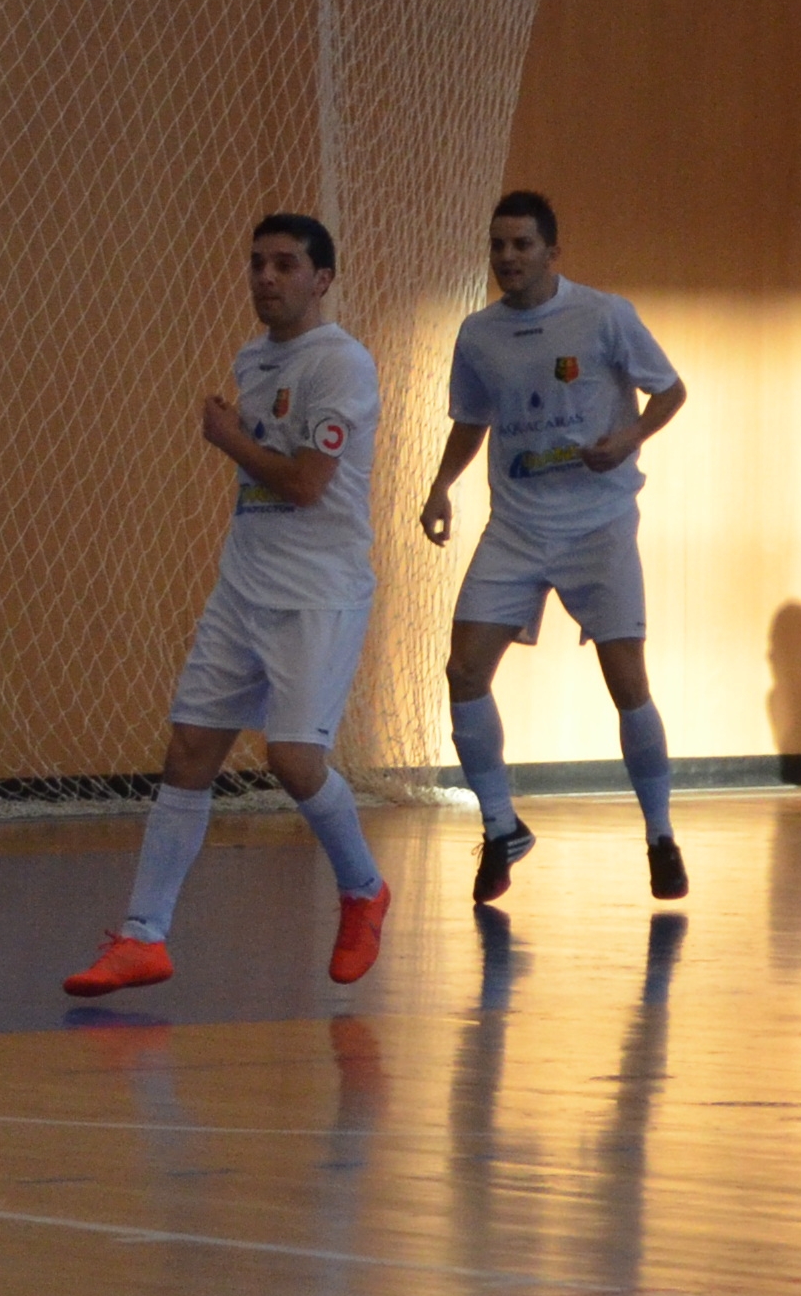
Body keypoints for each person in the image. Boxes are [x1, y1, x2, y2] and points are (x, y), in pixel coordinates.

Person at [62, 215, 396, 998]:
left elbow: (307, 483)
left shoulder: (342, 364)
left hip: (317, 593)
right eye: (256, 264)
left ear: (322, 279)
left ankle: (362, 889)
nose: (266, 278)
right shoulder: (254, 359)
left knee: (293, 760)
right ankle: (143, 937)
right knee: (188, 752)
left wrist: (228, 440)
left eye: (285, 264)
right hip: (243, 584)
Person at [418, 189, 690, 906]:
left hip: (598, 525)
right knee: (464, 671)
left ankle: (660, 835)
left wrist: (626, 438)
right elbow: (471, 420)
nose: (508, 259)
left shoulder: (604, 316)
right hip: (515, 527)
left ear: (551, 252)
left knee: (627, 681)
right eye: (498, 247)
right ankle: (502, 826)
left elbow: (669, 392)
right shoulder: (478, 335)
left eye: (522, 246)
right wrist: (442, 485)